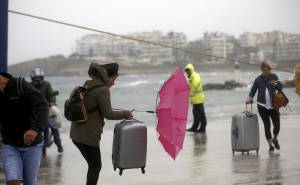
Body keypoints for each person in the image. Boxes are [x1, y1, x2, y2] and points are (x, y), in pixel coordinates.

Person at [70, 62, 134, 185]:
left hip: (76, 134)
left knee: (93, 165)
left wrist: (122, 112)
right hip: (88, 136)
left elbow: (94, 107)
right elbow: (108, 114)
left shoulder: (88, 84)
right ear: (107, 76)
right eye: (113, 79)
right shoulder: (103, 90)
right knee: (96, 166)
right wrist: (126, 114)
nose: (114, 83)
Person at [0, 72, 49, 185]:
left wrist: (35, 129)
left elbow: (43, 105)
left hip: (32, 145)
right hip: (9, 144)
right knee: (12, 181)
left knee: (29, 182)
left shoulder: (20, 84)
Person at [246, 60, 283, 153]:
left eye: (267, 70)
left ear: (270, 70)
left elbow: (280, 87)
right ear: (261, 70)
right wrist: (249, 98)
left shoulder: (274, 77)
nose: (265, 72)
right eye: (264, 70)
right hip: (262, 106)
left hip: (273, 105)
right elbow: (253, 91)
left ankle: (275, 139)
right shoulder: (258, 79)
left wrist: (276, 83)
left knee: (277, 126)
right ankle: (270, 146)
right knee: (267, 126)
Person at [30, 68, 64, 153]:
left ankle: (59, 145)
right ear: (32, 78)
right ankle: (41, 147)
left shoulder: (47, 84)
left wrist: (52, 102)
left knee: (54, 128)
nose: (37, 79)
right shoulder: (29, 86)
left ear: (42, 77)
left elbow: (52, 94)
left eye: (39, 77)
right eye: (35, 78)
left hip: (47, 109)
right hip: (35, 111)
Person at [185, 63, 207, 133]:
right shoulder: (191, 77)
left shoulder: (194, 76)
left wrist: (190, 91)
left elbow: (196, 83)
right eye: (186, 71)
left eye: (188, 70)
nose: (187, 72)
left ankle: (199, 127)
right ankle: (198, 127)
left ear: (191, 70)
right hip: (196, 99)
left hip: (198, 99)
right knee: (198, 113)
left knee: (199, 114)